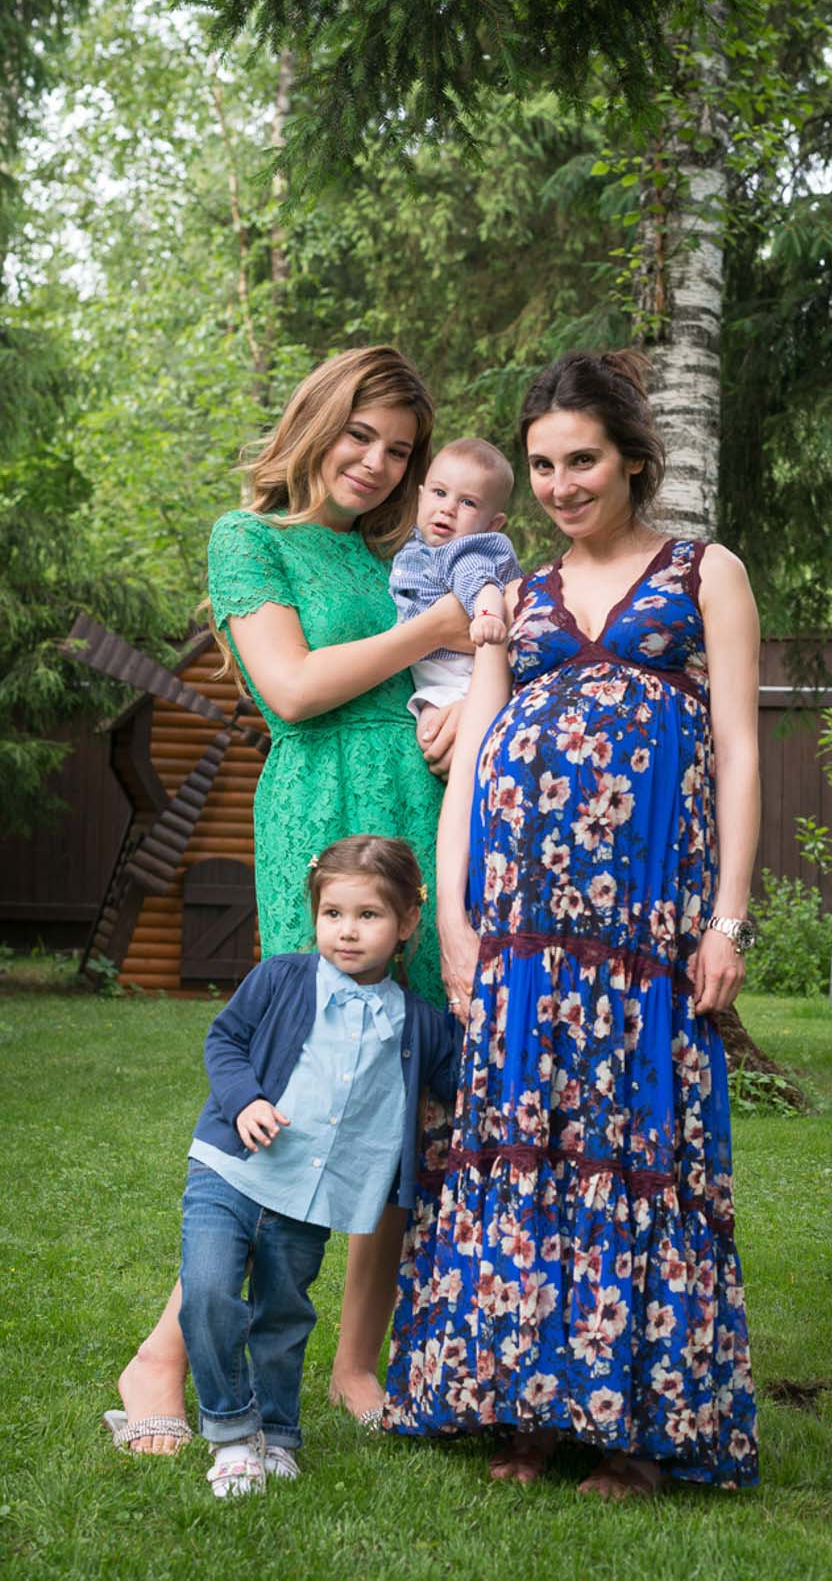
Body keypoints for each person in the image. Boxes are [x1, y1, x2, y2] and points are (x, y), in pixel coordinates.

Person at [385, 350, 763, 1497]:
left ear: (633, 457)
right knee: (521, 1142)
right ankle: (527, 1410)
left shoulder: (705, 573)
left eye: (581, 459)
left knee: (634, 1145)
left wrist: (727, 920)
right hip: (522, 927)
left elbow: (741, 752)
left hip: (646, 931)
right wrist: (452, 918)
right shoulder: (516, 599)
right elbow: (472, 768)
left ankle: (635, 1433)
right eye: (542, 465)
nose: (558, 484)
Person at [109, 347, 472, 1456]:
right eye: (360, 435)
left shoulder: (401, 558)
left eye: (399, 449)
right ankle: (164, 1354)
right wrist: (436, 630)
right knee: (308, 1081)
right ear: (316, 422)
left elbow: (453, 675)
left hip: (420, 807)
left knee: (408, 1080)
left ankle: (359, 1364)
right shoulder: (247, 539)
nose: (375, 462)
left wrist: (461, 709)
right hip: (319, 815)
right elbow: (294, 687)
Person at [171, 836, 459, 1496]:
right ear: (316, 914)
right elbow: (226, 1039)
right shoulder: (281, 978)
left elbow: (468, 1081)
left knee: (282, 1313)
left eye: (368, 916)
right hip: (232, 1170)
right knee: (211, 1291)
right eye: (333, 914)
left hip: (313, 1196)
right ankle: (232, 1430)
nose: (348, 932)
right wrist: (245, 1100)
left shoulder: (420, 1024)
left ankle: (277, 1433)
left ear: (407, 922)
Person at [390, 436, 524, 736]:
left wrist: (487, 615)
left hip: (460, 675)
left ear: (492, 524)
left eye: (468, 502)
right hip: (439, 675)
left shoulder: (462, 551)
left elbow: (480, 582)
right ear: (421, 497)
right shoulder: (416, 547)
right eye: (440, 493)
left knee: (433, 733)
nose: (448, 508)